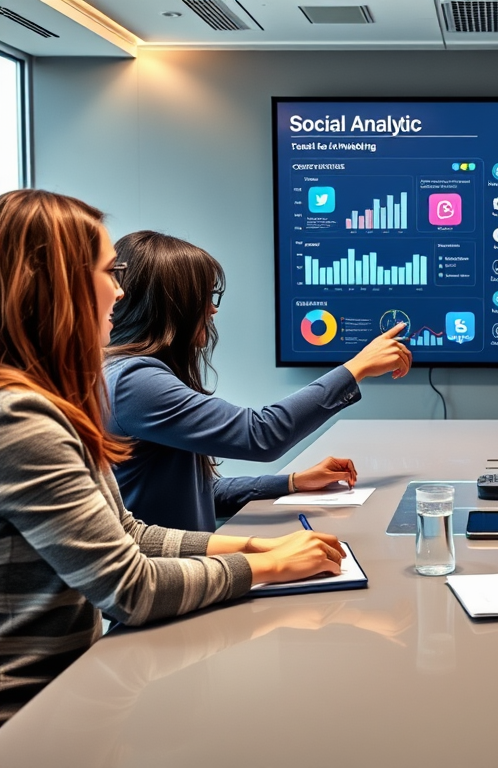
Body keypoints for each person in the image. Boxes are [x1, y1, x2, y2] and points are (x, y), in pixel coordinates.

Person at [0, 189, 347, 725]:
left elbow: (131, 533)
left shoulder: (51, 404)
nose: (119, 293)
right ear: (56, 286)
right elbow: (129, 587)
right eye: (108, 272)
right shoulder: (20, 419)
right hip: (35, 717)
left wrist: (258, 541)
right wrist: (267, 565)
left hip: (71, 693)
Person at [104, 230, 413, 532]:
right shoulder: (134, 382)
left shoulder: (126, 375)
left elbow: (198, 496)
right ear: (172, 306)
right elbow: (260, 434)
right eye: (204, 297)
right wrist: (356, 367)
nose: (212, 309)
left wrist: (292, 483)